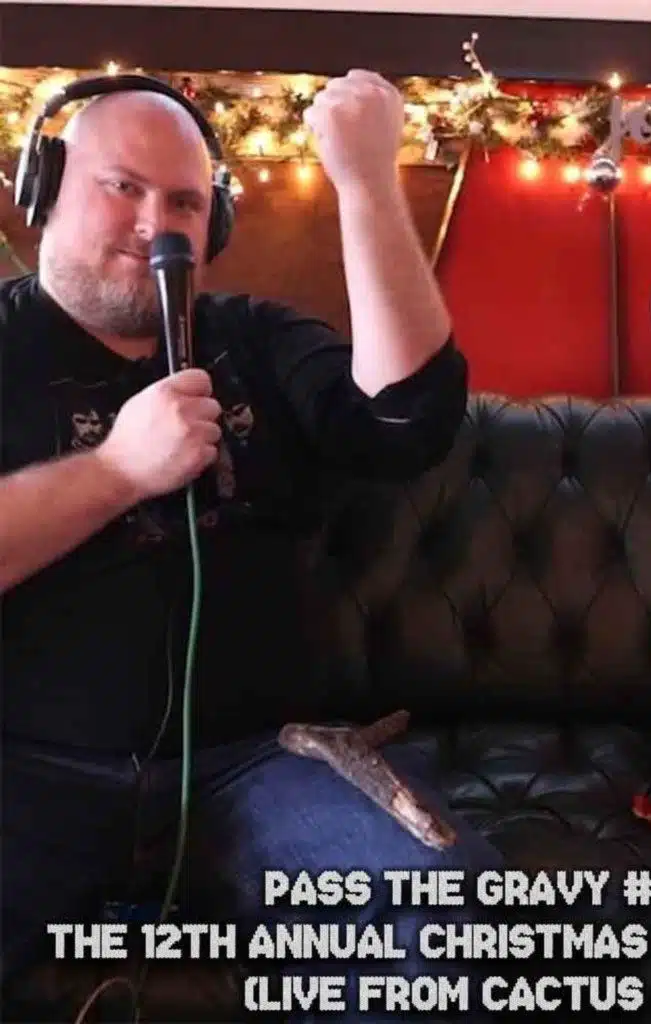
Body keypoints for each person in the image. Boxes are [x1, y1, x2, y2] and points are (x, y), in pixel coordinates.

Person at [0, 72, 503, 1019]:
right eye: (123, 187)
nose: (155, 225)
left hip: (263, 764)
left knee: (441, 918)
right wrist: (116, 471)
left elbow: (410, 422)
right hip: (27, 766)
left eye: (185, 203)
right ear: (45, 187)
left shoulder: (258, 340)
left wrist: (366, 181)